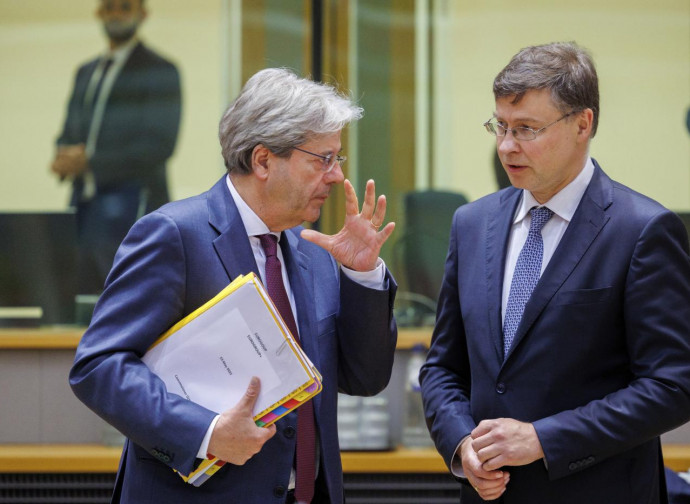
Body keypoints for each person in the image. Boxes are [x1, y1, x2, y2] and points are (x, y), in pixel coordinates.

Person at [69, 67, 398, 504]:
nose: (336, 176)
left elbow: (365, 378)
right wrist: (205, 433)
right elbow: (98, 366)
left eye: (337, 159)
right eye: (322, 159)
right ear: (263, 160)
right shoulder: (175, 234)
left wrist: (362, 274)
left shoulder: (314, 250)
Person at [419, 41, 690, 503]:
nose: (507, 146)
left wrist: (544, 439)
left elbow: (673, 384)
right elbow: (443, 367)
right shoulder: (471, 224)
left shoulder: (642, 229)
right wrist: (461, 443)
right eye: (500, 127)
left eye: (527, 129)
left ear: (583, 124)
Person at [51, 0, 181, 295]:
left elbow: (160, 144)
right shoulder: (85, 72)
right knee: (80, 299)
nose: (116, 14)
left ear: (143, 14)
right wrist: (62, 157)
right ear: (99, 13)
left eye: (125, 7)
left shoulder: (160, 70)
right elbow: (68, 132)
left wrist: (89, 162)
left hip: (134, 205)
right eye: (110, 7)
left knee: (128, 297)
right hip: (82, 204)